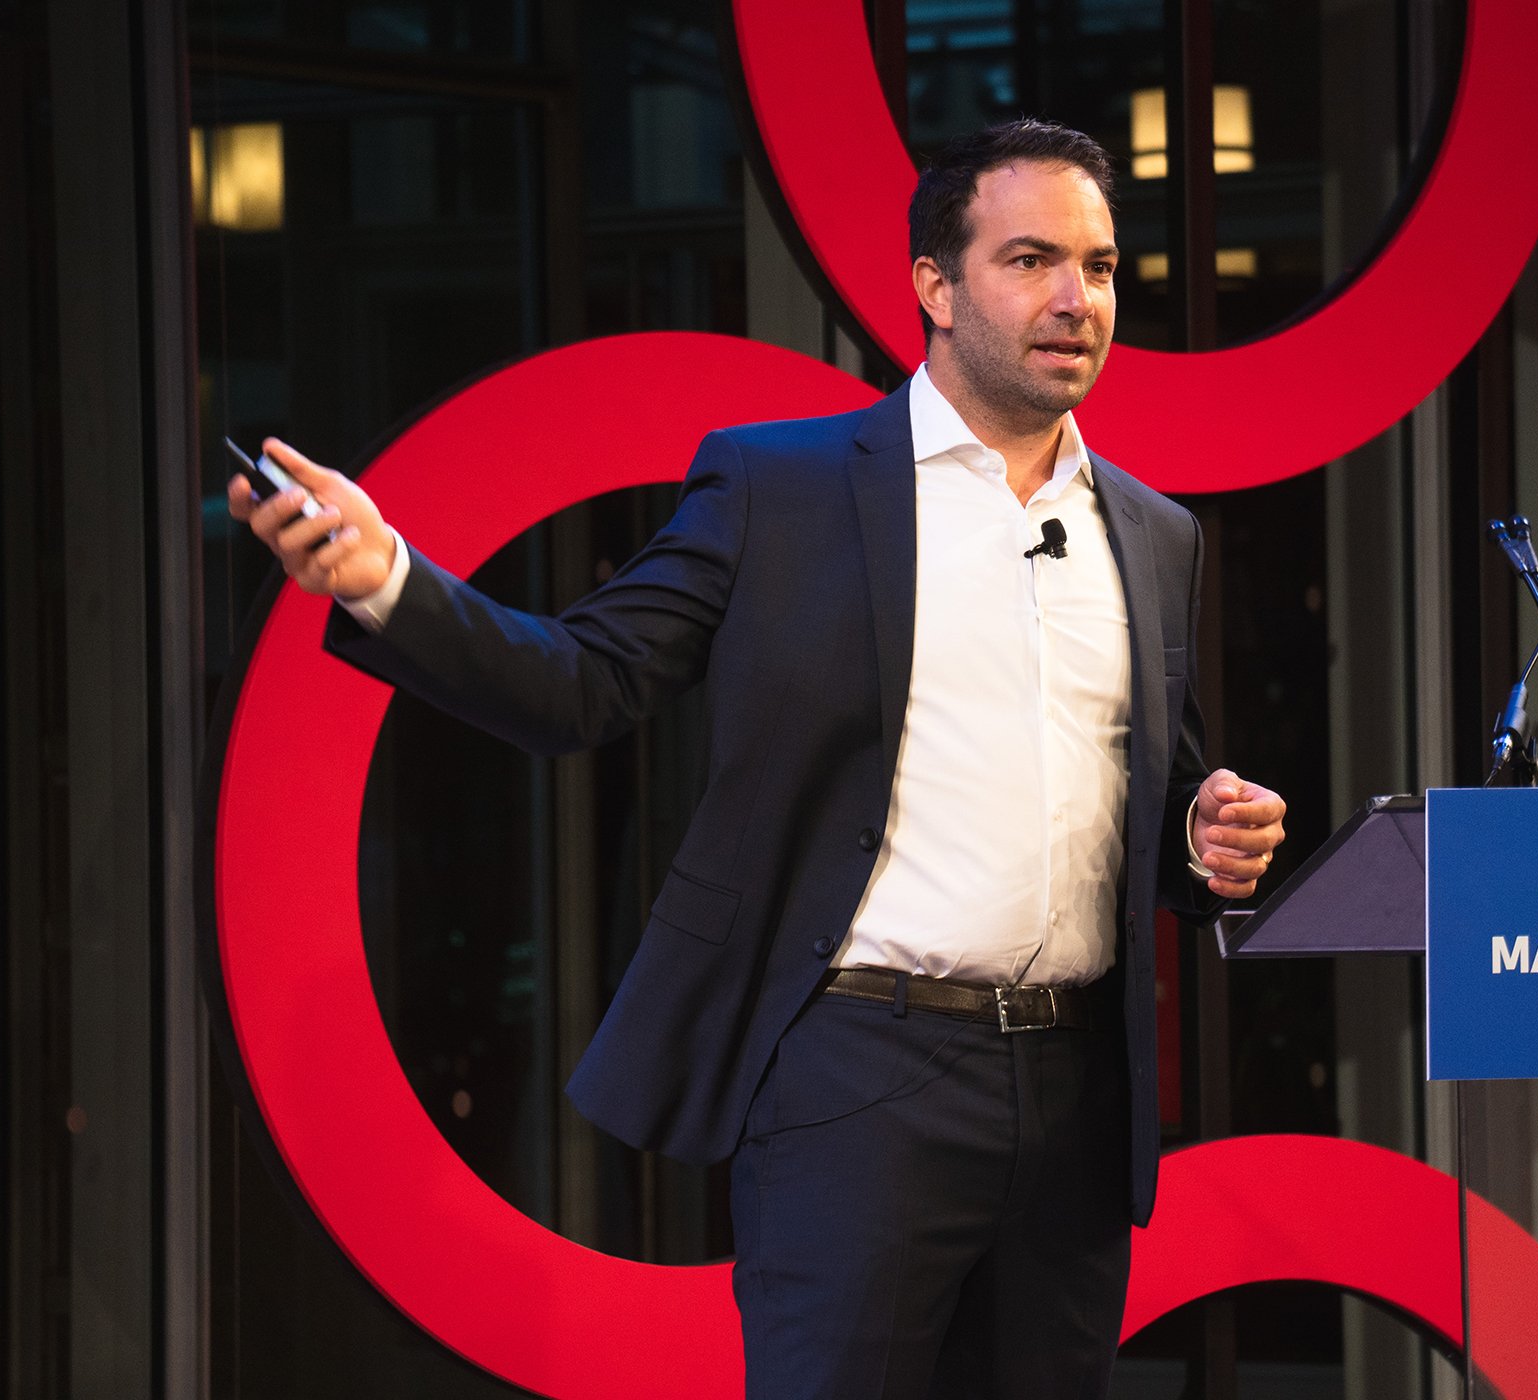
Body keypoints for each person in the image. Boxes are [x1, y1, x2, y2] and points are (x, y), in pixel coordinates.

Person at [230, 118, 1286, 1399]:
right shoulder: (780, 490)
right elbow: (580, 681)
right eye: (1032, 260)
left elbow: (1155, 802)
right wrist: (386, 580)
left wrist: (1203, 838)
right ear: (936, 286)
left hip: (1076, 1095)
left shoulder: (1154, 532)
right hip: (862, 1075)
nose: (1078, 299)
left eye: (1101, 266)